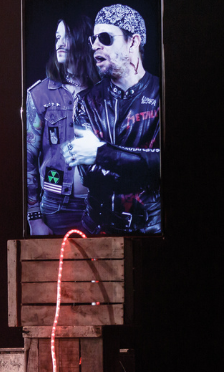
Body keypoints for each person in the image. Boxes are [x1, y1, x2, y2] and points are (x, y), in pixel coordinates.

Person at [67, 4, 161, 234]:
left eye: (105, 38)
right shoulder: (86, 102)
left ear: (133, 42)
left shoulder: (162, 95)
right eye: (93, 39)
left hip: (151, 231)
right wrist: (142, 161)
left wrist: (101, 152)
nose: (95, 45)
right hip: (96, 232)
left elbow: (166, 164)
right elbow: (91, 174)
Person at [26, 15, 99, 235]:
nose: (59, 42)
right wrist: (34, 219)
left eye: (66, 36)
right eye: (57, 37)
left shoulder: (104, 92)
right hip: (56, 209)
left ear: (84, 40)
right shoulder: (39, 94)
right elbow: (27, 160)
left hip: (100, 207)